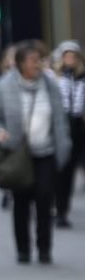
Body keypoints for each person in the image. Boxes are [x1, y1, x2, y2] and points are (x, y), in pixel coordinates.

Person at [0, 41, 72, 264]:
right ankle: (23, 248)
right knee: (21, 201)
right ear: (21, 64)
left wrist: (64, 148)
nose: (39, 65)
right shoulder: (4, 86)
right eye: (34, 61)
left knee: (45, 198)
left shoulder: (50, 85)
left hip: (46, 152)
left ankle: (44, 248)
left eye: (41, 60)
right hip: (18, 153)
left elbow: (60, 119)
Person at [52, 40, 84, 228]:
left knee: (70, 170)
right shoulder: (55, 77)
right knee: (60, 169)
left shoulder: (82, 77)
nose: (70, 59)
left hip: (78, 126)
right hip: (61, 125)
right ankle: (57, 206)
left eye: (73, 56)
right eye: (67, 56)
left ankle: (63, 210)